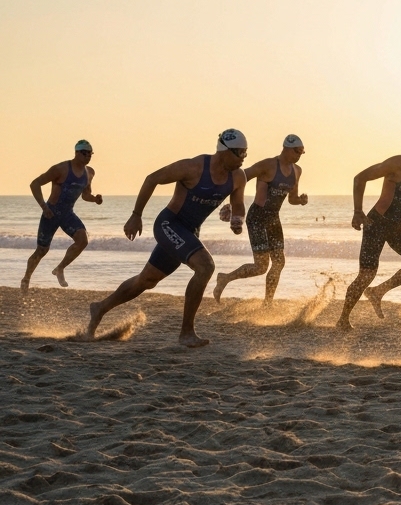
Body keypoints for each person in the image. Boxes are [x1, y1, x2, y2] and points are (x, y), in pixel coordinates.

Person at [84, 130, 249, 347]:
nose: (244, 158)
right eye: (240, 153)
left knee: (146, 280)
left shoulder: (238, 176)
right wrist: (136, 216)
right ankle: (186, 333)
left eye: (246, 153)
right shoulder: (193, 167)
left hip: (188, 232)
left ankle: (100, 308)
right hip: (169, 224)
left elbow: (238, 204)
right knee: (206, 267)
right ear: (225, 151)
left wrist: (237, 220)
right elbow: (152, 179)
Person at [336, 128, 401, 329]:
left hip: (396, 226)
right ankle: (343, 319)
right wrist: (358, 211)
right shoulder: (399, 163)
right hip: (376, 223)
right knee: (367, 274)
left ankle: (378, 291)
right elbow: (360, 178)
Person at [212, 135, 308, 304]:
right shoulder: (268, 165)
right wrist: (230, 203)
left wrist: (300, 200)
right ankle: (225, 278)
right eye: (297, 151)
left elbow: (292, 198)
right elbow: (240, 177)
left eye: (302, 152)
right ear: (285, 148)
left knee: (279, 262)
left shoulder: (297, 170)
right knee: (261, 267)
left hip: (273, 219)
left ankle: (267, 303)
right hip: (257, 217)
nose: (299, 155)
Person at [21, 140, 103, 290]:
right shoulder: (61, 169)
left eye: (90, 153)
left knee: (82, 240)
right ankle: (26, 278)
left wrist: (95, 199)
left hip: (67, 214)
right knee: (42, 250)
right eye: (84, 153)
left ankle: (59, 268)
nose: (88, 156)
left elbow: (86, 194)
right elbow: (35, 184)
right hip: (51, 213)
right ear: (76, 153)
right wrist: (44, 207)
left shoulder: (89, 172)